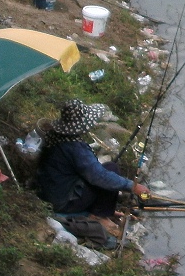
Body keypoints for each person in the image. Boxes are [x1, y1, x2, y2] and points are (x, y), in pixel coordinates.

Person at [35, 100, 149, 239]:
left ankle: (101, 211)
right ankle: (99, 216)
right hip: (63, 201)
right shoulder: (74, 148)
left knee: (106, 171)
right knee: (111, 170)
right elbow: (99, 176)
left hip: (50, 193)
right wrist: (133, 186)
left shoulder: (55, 137)